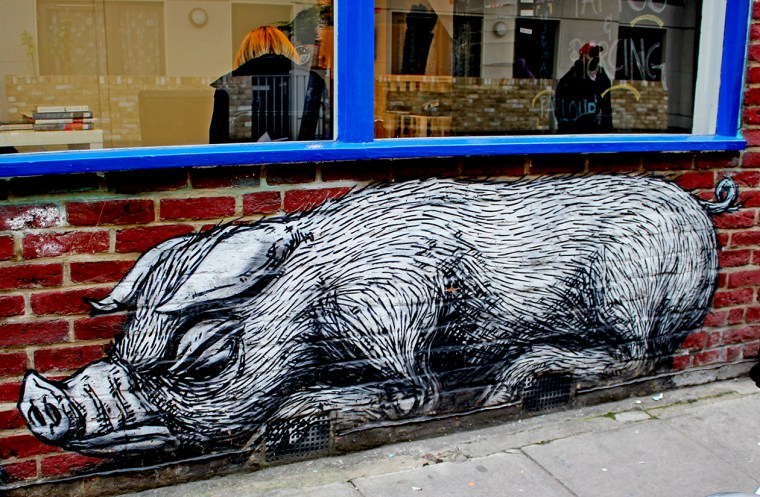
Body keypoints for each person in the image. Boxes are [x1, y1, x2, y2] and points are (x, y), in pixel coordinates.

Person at [209, 26, 325, 143]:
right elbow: (323, 133)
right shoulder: (311, 81)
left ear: (246, 52)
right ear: (287, 48)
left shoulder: (229, 83)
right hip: (303, 153)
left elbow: (217, 143)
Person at [553, 42, 612, 134]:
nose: (595, 57)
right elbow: (561, 105)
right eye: (591, 54)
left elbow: (606, 104)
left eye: (596, 54)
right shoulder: (569, 79)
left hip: (596, 130)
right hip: (575, 130)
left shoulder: (602, 77)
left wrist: (607, 127)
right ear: (583, 56)